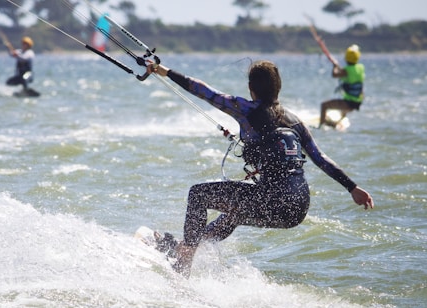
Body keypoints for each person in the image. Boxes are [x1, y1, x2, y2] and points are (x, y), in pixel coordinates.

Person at [146, 60, 374, 277]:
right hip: (296, 209)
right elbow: (320, 158)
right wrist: (352, 188)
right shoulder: (295, 121)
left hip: (270, 200)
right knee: (233, 214)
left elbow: (204, 91)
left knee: (198, 195)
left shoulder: (245, 108)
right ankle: (191, 246)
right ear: (278, 89)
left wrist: (164, 71)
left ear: (250, 88)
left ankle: (183, 259)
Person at [319, 44, 364, 128]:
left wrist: (334, 66)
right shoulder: (360, 68)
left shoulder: (346, 70)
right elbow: (350, 72)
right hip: (358, 102)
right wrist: (338, 67)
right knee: (343, 108)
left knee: (324, 105)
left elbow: (334, 74)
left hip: (348, 103)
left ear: (346, 58)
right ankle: (337, 122)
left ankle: (321, 126)